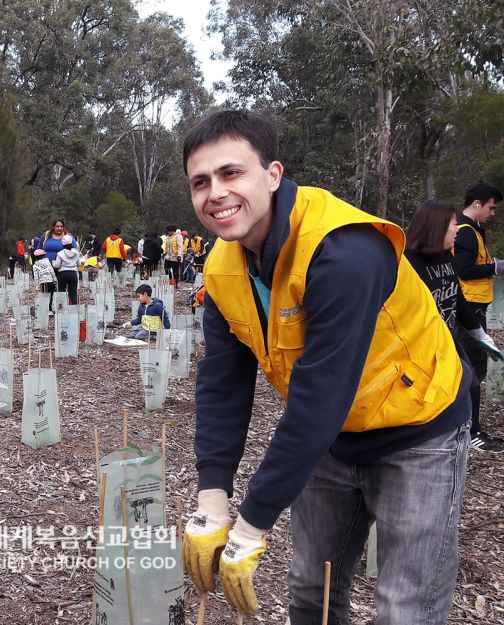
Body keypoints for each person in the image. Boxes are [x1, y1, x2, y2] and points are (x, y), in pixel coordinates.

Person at [181, 110, 470, 624]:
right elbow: (223, 384)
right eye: (200, 182)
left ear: (272, 175)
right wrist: (213, 498)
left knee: (405, 609)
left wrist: (251, 524)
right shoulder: (222, 268)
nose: (215, 193)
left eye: (231, 173)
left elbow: (321, 395)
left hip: (418, 428)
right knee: (312, 591)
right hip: (332, 438)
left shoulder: (343, 250)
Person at [406, 199, 503, 452]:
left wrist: (482, 336)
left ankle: (472, 433)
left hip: (449, 338)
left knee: (469, 381)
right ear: (435, 227)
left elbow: (457, 298)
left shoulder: (445, 258)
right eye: (452, 224)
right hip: (421, 350)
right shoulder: (407, 263)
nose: (458, 229)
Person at [453, 180, 504, 452]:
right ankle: (471, 431)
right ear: (477, 204)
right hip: (468, 308)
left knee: (475, 368)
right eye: (490, 208)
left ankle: (469, 426)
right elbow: (464, 270)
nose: (492, 213)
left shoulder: (472, 230)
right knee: (473, 369)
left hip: (473, 306)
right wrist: (494, 267)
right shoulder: (466, 232)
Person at [52, 234, 81, 305]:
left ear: (63, 244)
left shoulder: (60, 253)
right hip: (73, 274)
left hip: (62, 275)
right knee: (73, 293)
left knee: (61, 293)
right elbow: (79, 264)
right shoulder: (76, 253)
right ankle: (75, 310)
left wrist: (53, 262)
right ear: (71, 243)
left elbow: (57, 265)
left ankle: (62, 310)